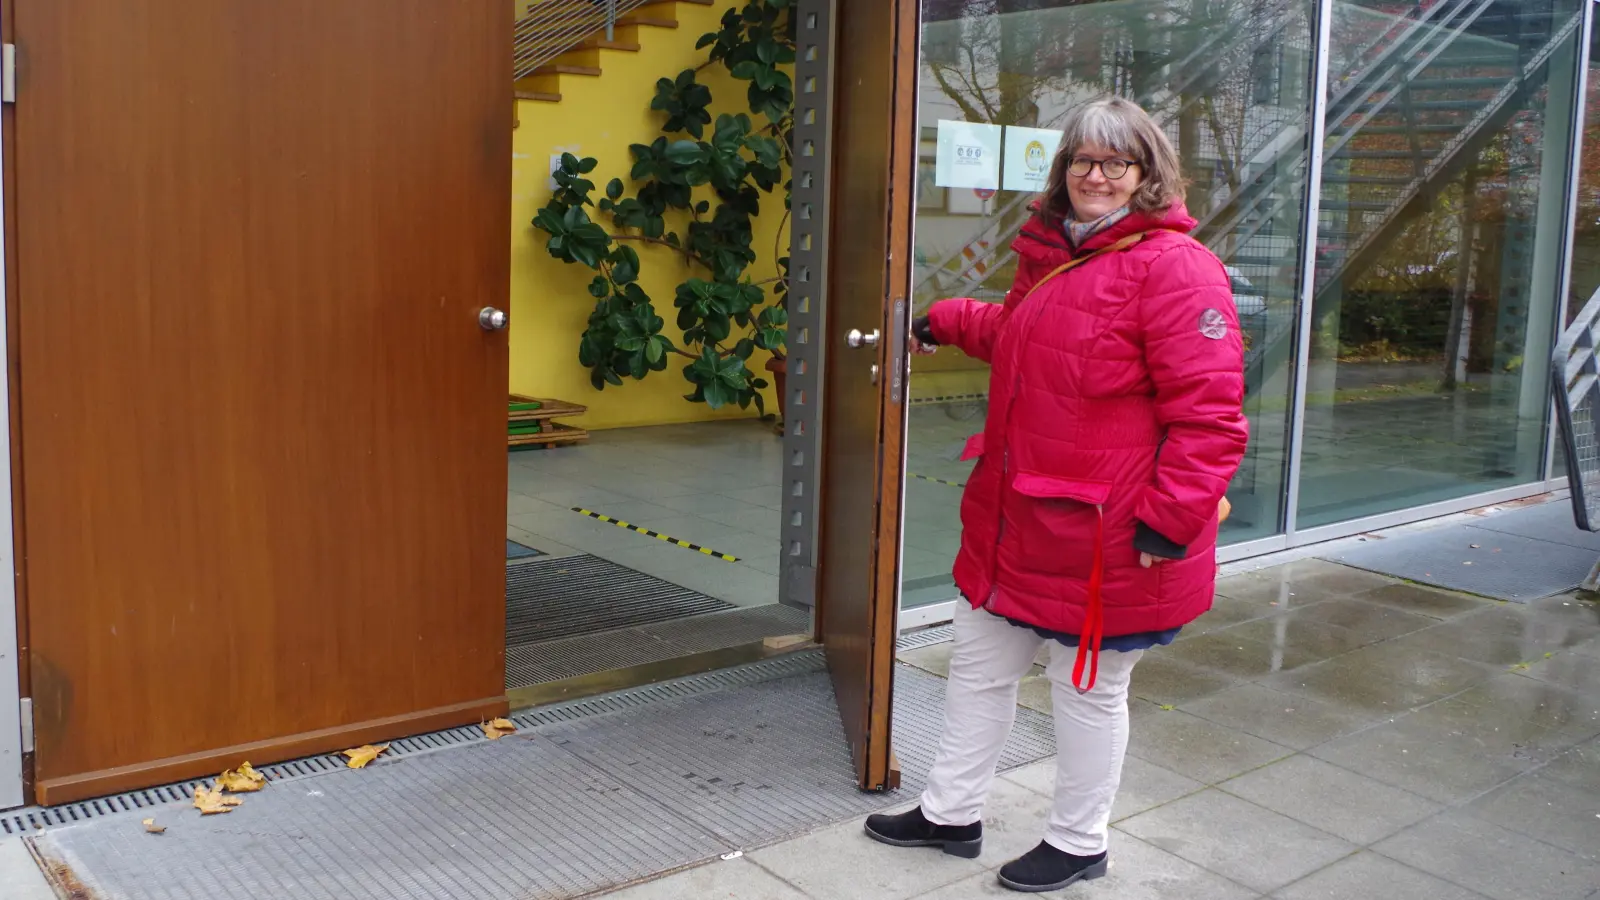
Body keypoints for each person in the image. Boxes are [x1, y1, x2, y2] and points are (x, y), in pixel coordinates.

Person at [864, 97, 1248, 893]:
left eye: (1115, 162)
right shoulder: (1056, 251)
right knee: (978, 668)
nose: (1095, 175)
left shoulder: (1175, 268)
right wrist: (945, 319)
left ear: (1146, 174)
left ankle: (1078, 842)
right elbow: (1029, 335)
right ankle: (950, 813)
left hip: (1108, 534)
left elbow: (1210, 417)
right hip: (1018, 520)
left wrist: (1171, 524)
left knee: (1087, 693)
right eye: (1082, 159)